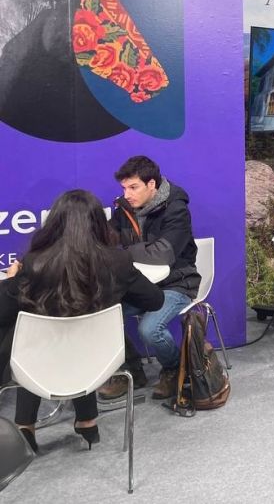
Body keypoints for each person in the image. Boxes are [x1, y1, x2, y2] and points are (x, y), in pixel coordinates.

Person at [0, 190, 163, 452]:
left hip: (39, 363)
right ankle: (87, 420)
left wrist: (11, 281)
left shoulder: (35, 263)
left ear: (54, 223)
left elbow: (2, 312)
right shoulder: (118, 261)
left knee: (29, 340)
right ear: (98, 222)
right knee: (76, 339)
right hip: (99, 362)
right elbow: (155, 300)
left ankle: (25, 426)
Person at [98, 156, 201, 401]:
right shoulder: (125, 208)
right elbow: (106, 237)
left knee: (149, 329)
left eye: (133, 187)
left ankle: (173, 369)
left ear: (151, 184)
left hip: (177, 282)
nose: (127, 194)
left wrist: (124, 254)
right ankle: (131, 370)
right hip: (140, 284)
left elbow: (163, 253)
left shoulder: (176, 209)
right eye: (124, 188)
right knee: (100, 312)